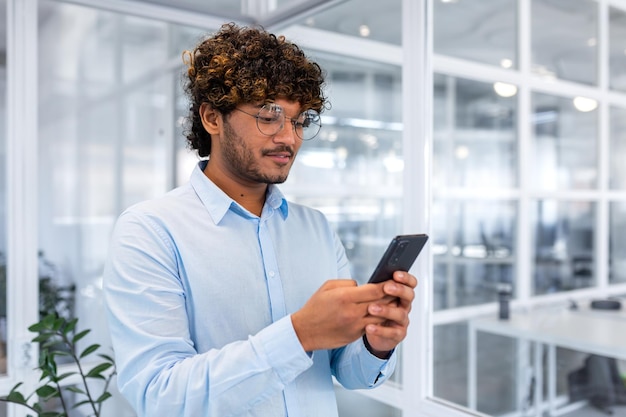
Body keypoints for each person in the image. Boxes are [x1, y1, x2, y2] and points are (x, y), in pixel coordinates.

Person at [103, 22, 418, 417]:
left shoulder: (315, 228)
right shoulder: (149, 232)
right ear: (212, 118)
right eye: (269, 117)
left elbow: (345, 370)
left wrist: (376, 342)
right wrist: (300, 333)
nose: (289, 137)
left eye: (300, 120)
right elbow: (161, 395)